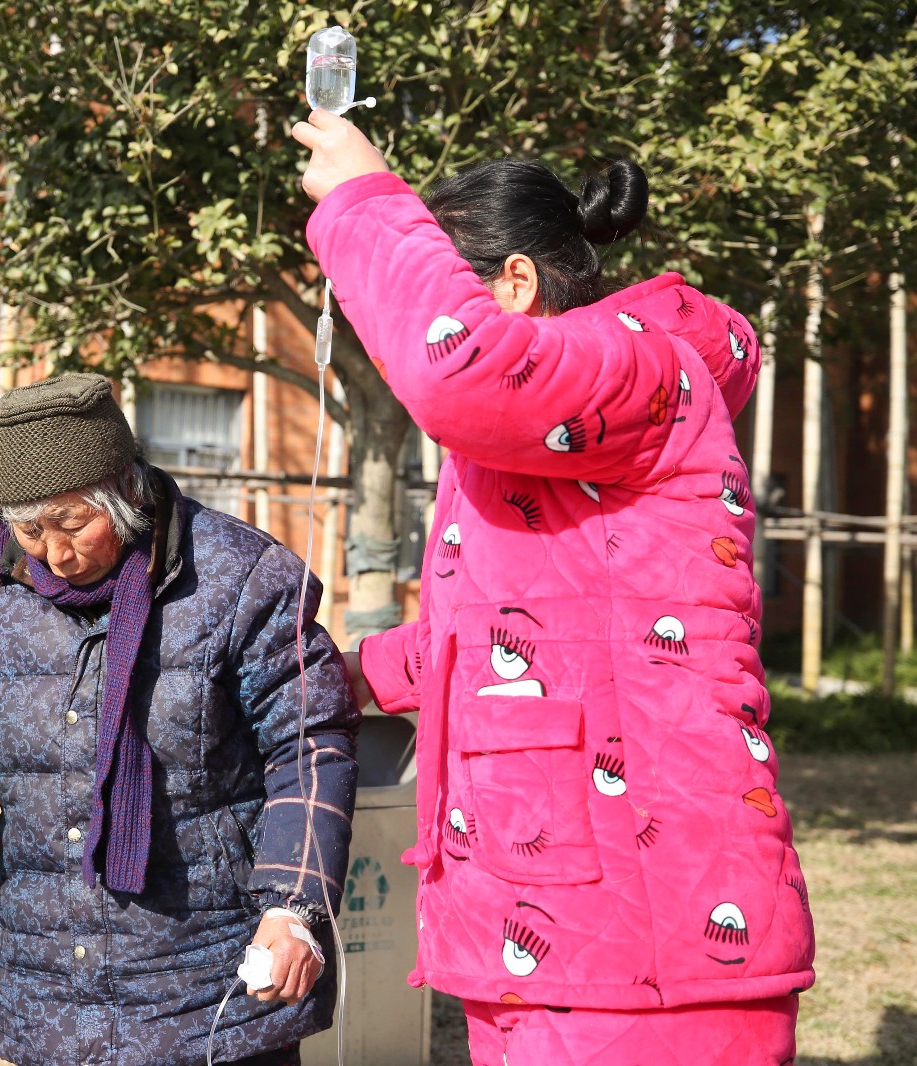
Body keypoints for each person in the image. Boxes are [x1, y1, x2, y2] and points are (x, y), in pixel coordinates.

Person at [293, 110, 816, 1065]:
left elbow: (457, 371)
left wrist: (366, 199)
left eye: (450, 291)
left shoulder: (642, 370)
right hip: (546, 927)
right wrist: (342, 674)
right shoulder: (550, 437)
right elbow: (505, 637)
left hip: (650, 945)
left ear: (516, 284)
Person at [0, 373, 360, 1066]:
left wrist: (293, 905)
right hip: (52, 978)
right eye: (30, 529)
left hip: (209, 970)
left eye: (72, 523)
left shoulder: (239, 578)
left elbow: (308, 744)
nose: (55, 554)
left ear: (127, 490)